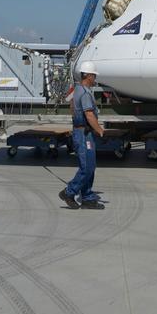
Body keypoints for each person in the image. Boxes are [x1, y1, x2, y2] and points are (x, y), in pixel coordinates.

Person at [60, 61, 105, 209]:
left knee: (90, 166)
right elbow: (89, 115)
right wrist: (99, 130)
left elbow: (72, 106)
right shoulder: (85, 93)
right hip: (83, 133)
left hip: (82, 131)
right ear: (88, 76)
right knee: (87, 167)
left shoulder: (77, 90)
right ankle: (69, 192)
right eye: (93, 76)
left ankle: (87, 197)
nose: (94, 79)